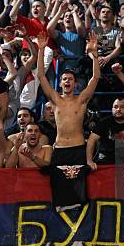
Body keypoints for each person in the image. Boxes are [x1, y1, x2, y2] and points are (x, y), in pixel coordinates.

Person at [36, 31, 100, 211]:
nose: (67, 82)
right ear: (60, 82)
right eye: (64, 79)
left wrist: (94, 55)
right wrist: (41, 50)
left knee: (80, 191)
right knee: (60, 189)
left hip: (78, 148)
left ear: (75, 83)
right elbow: (41, 76)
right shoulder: (55, 100)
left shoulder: (81, 100)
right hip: (61, 148)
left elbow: (95, 78)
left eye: (70, 79)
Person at [86, 97, 124, 169]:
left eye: (123, 107)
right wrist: (89, 161)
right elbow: (91, 140)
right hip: (104, 161)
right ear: (112, 109)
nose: (118, 109)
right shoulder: (104, 122)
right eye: (115, 107)